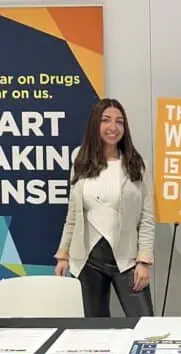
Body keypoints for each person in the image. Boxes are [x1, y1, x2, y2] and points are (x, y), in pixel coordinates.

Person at [54, 99, 154, 317]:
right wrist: (63, 254)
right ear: (95, 124)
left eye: (119, 122)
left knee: (144, 323)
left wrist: (144, 261)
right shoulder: (80, 159)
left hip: (127, 260)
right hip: (87, 260)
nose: (113, 127)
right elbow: (73, 213)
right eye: (106, 120)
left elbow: (146, 217)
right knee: (95, 329)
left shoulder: (137, 164)